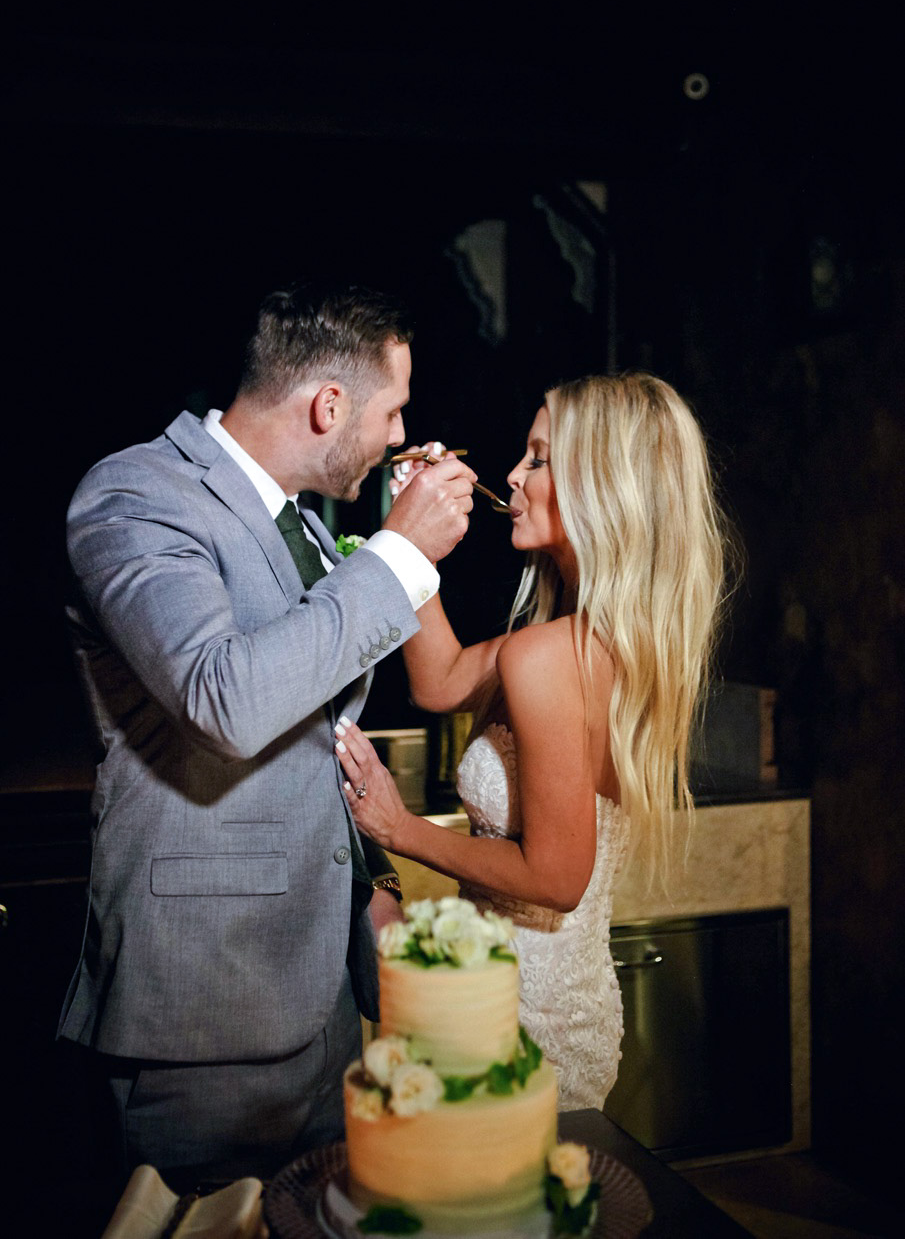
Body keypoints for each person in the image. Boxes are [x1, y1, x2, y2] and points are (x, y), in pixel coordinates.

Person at [58, 280, 476, 1184]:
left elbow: (320, 733)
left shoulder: (305, 531)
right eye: (392, 412)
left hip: (320, 994)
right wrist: (400, 550)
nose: (401, 435)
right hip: (208, 1006)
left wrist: (372, 887)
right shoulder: (135, 495)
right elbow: (225, 700)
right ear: (330, 405)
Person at [335, 372, 730, 1110]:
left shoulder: (548, 656)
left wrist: (400, 829)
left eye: (538, 458)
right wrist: (408, 539)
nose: (511, 476)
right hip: (549, 997)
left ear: (601, 483)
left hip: (518, 1018)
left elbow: (555, 878)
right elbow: (442, 681)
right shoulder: (604, 642)